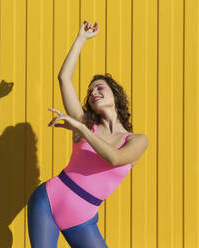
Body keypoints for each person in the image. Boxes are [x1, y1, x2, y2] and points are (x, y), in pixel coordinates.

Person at [27, 20, 149, 248]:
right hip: (47, 201)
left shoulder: (136, 140)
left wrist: (80, 128)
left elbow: (115, 158)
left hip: (82, 219)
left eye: (100, 87)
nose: (94, 92)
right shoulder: (86, 122)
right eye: (90, 91)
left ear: (116, 95)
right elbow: (64, 78)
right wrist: (81, 39)